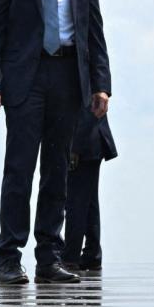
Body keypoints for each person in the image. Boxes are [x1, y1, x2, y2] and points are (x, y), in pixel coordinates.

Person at [0, 0, 110, 286]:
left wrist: (101, 84)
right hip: (25, 79)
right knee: (19, 169)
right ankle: (9, 258)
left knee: (58, 172)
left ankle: (49, 258)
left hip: (69, 77)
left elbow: (94, 31)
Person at [63, 110, 117, 272]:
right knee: (89, 201)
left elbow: (87, 109)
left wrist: (75, 148)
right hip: (92, 141)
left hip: (84, 143)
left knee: (75, 202)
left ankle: (71, 256)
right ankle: (92, 253)